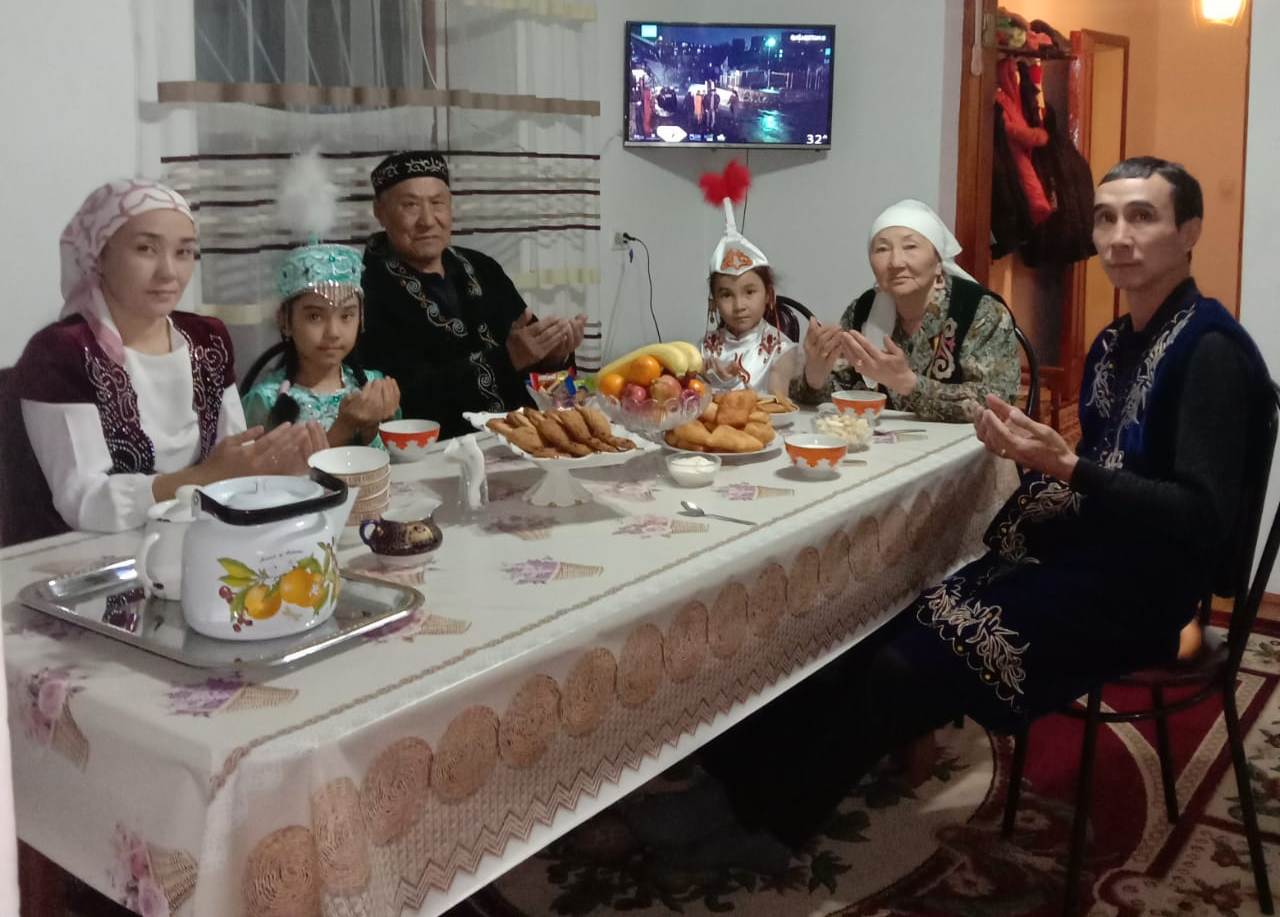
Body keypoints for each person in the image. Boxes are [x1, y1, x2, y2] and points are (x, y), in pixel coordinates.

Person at [14, 180, 326, 533]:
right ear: (98, 256)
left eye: (184, 252)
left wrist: (272, 469)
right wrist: (206, 476)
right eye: (146, 249)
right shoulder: (61, 352)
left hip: (198, 537)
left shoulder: (207, 338)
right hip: (92, 552)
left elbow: (233, 458)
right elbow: (84, 501)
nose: (168, 272)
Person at [359, 151, 586, 439]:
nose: (427, 220)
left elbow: (549, 386)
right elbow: (401, 400)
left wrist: (554, 357)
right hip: (437, 452)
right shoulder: (365, 289)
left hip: (522, 440)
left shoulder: (483, 268)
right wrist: (506, 359)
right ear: (379, 211)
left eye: (437, 203)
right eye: (410, 205)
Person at [792, 199, 1020, 422]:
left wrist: (906, 383)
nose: (895, 262)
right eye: (882, 249)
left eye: (910, 247)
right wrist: (815, 377)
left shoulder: (979, 311)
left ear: (938, 261)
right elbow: (842, 392)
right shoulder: (863, 310)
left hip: (966, 444)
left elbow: (997, 402)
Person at [241, 242, 401, 447]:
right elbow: (260, 466)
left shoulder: (371, 387)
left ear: (361, 318)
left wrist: (379, 424)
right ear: (285, 321)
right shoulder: (265, 400)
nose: (333, 333)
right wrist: (344, 429)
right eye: (315, 316)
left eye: (346, 316)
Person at [698, 162, 800, 393]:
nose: (739, 305)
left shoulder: (782, 350)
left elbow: (779, 406)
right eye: (726, 295)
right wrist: (700, 376)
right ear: (713, 302)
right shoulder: (703, 350)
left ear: (769, 295)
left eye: (750, 292)